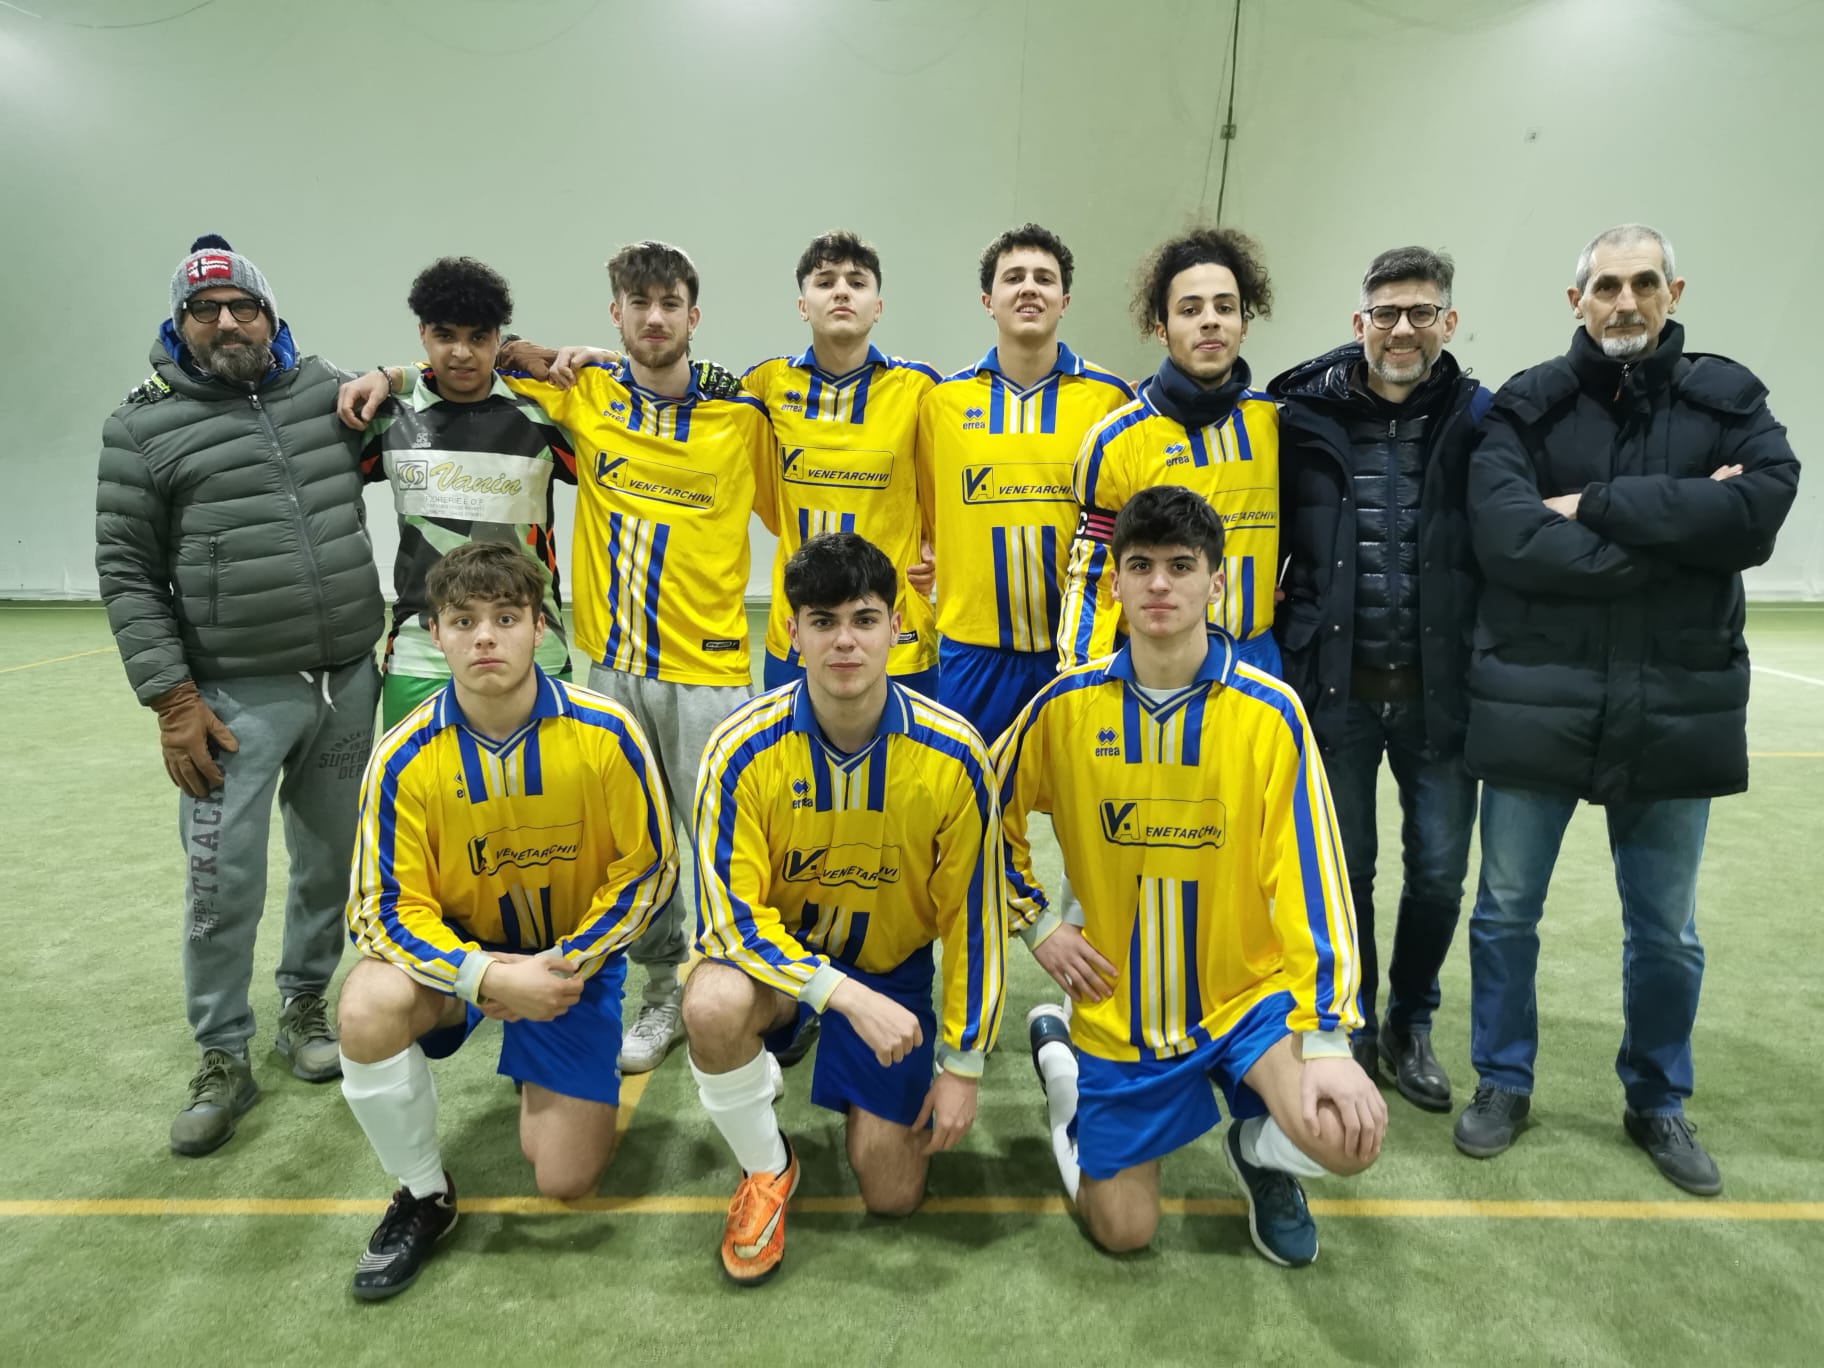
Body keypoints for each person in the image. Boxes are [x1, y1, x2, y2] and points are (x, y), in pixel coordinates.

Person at [340, 242, 777, 1075]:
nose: (654, 317)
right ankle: (655, 992)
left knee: (727, 844)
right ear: (613, 315)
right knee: (626, 845)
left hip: (713, 667)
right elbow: (476, 358)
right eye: (636, 302)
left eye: (670, 302)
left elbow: (809, 498)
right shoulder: (578, 398)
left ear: (694, 312)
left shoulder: (745, 412)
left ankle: (755, 996)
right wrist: (387, 375)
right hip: (608, 663)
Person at [1453, 224, 1799, 1195]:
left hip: (1673, 706)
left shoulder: (1728, 399)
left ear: (1673, 290)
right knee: (1505, 913)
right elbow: (1509, 541)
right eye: (1607, 285)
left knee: (1667, 933)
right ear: (1577, 301)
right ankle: (1502, 1081)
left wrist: (1591, 504)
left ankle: (1656, 1099)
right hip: (1536, 700)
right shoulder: (1524, 407)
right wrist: (1681, 523)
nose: (1626, 301)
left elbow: (1760, 509)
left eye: (1645, 282)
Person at [1000, 486, 1382, 1267]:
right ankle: (1064, 1077)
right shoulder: (1064, 708)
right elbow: (975, 814)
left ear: (1218, 582)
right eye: (1139, 566)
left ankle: (1258, 1149)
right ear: (1114, 584)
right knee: (1124, 1232)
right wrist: (1036, 922)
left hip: (1243, 997)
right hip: (1118, 1008)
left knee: (1346, 1138)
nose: (1160, 585)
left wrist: (1331, 1037)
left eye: (1182, 566)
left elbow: (1317, 876)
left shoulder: (1268, 711)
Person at [96, 234, 383, 1156]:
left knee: (330, 862)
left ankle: (305, 1005)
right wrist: (171, 701)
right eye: (205, 312)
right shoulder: (140, 428)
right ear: (178, 326)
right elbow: (127, 572)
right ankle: (222, 1053)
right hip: (229, 698)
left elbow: (439, 383)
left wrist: (390, 370)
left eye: (243, 308)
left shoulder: (324, 392)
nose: (227, 324)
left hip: (346, 681)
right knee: (219, 884)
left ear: (270, 315)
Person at [338, 542, 677, 1299]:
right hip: (458, 964)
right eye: (464, 620)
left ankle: (540, 1058)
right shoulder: (404, 755)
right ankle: (424, 1194)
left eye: (505, 617)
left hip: (568, 967)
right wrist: (482, 973)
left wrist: (564, 968)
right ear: (436, 633)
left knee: (564, 1178)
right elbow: (380, 906)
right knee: (364, 1007)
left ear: (539, 629)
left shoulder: (605, 732)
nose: (485, 636)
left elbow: (649, 869)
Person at [684, 531, 1004, 1285]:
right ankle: (768, 1167)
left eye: (864, 618)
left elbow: (976, 923)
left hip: (891, 970)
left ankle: (837, 1075)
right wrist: (841, 996)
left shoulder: (955, 755)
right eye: (822, 621)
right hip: (786, 974)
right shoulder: (739, 750)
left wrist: (962, 1064)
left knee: (892, 1194)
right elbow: (729, 922)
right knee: (712, 1001)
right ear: (791, 634)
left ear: (900, 626)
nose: (845, 641)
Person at [1269, 246, 1491, 1110]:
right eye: (1387, 313)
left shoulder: (1483, 419)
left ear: (1448, 322)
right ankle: (1353, 1019)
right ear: (1359, 323)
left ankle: (1412, 1021)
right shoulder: (1297, 417)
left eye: (1421, 312)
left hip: (1440, 694)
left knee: (1439, 872)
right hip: (1338, 692)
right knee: (1346, 868)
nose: (1404, 329)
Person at [917, 223, 1134, 747]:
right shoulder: (942, 404)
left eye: (1044, 278)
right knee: (975, 813)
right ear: (988, 300)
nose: (1029, 287)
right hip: (974, 656)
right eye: (1013, 277)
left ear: (1065, 299)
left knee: (1085, 812)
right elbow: (926, 511)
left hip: (1082, 651)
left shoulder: (1110, 400)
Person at [358, 257, 577, 730]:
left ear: (499, 339)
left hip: (535, 650)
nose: (461, 352)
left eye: (478, 337)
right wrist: (393, 375)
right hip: (421, 656)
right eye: (445, 336)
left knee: (539, 799)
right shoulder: (386, 418)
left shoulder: (544, 418)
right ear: (422, 335)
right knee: (423, 799)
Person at [1058, 226, 1282, 676]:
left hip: (1256, 664)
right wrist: (1082, 677)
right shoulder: (1114, 440)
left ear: (1244, 323)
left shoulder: (1275, 422)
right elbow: (1091, 577)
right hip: (1155, 668)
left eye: (1225, 307)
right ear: (1161, 329)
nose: (1210, 320)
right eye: (1190, 309)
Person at [743, 230, 942, 695]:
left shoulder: (919, 388)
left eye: (857, 281)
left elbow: (950, 489)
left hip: (899, 636)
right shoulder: (768, 383)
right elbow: (678, 385)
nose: (841, 291)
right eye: (825, 281)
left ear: (878, 306)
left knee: (903, 765)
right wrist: (608, 359)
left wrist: (939, 554)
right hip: (795, 631)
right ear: (802, 305)